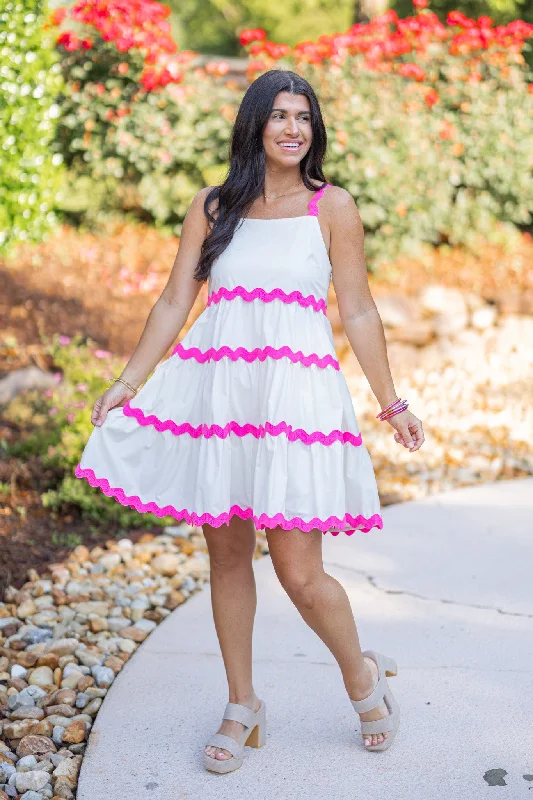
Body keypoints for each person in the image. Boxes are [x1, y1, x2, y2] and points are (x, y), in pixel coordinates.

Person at [75, 68, 424, 773]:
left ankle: (358, 673)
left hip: (294, 405)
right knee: (227, 556)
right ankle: (242, 704)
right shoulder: (212, 207)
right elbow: (176, 300)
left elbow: (355, 309)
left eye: (303, 117)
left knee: (299, 570)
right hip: (219, 398)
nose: (293, 128)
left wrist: (391, 402)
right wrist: (127, 382)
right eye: (279, 116)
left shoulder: (332, 208)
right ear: (254, 125)